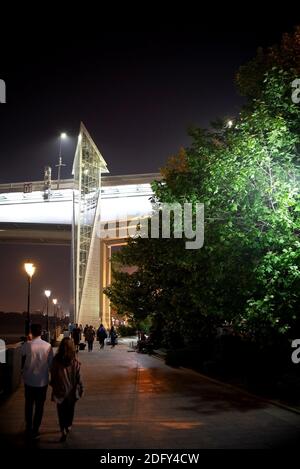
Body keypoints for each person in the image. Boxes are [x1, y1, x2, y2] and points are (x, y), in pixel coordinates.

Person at [21, 323, 53, 439]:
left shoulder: (27, 345)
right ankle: (35, 429)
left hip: (29, 380)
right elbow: (51, 364)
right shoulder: (48, 346)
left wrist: (28, 340)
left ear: (31, 332)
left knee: (28, 405)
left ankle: (28, 427)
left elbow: (21, 355)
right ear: (41, 333)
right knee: (40, 406)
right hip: (42, 381)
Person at [50, 337, 83, 442]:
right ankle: (68, 426)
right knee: (70, 410)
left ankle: (62, 429)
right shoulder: (74, 361)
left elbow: (53, 374)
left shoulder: (56, 360)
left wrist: (53, 384)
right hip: (72, 392)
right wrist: (81, 388)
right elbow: (79, 377)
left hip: (60, 390)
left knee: (61, 411)